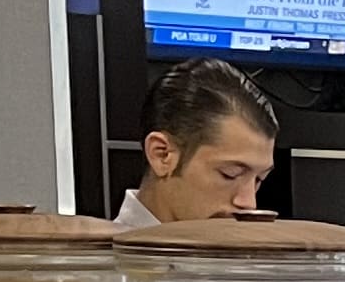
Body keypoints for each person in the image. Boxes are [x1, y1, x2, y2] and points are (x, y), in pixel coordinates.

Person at [118, 56, 278, 225]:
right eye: (230, 174)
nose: (249, 203)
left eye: (259, 179)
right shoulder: (97, 251)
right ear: (162, 154)